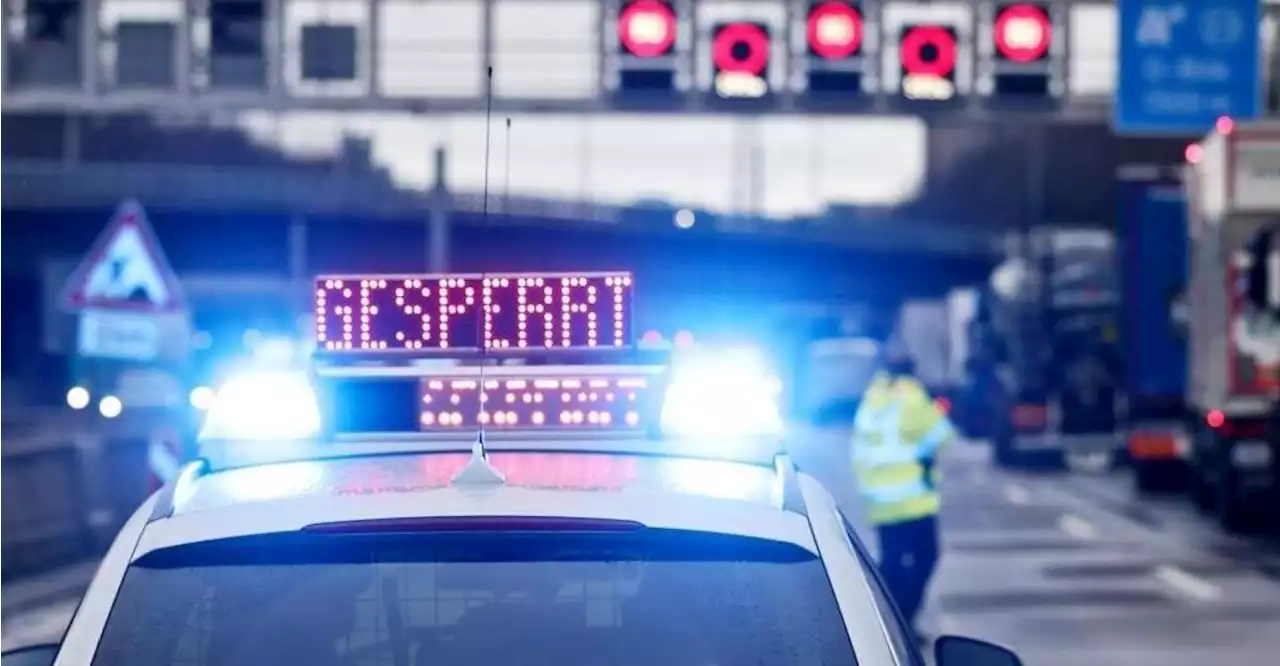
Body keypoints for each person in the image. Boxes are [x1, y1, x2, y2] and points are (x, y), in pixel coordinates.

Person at [850, 345, 955, 644]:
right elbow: (941, 434)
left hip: (880, 500)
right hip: (912, 500)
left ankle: (880, 618)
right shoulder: (911, 396)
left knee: (892, 564)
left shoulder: (873, 396)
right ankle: (902, 622)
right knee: (925, 558)